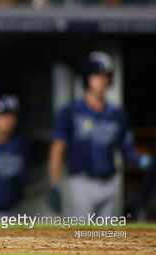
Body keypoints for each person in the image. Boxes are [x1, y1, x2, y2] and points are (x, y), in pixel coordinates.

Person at [47, 51, 152, 217]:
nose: (102, 81)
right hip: (81, 182)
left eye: (106, 76)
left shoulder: (117, 114)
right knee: (82, 238)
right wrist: (55, 183)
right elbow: (57, 148)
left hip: (110, 183)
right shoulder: (70, 112)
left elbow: (126, 150)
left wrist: (143, 161)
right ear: (87, 78)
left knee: (108, 238)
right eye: (97, 75)